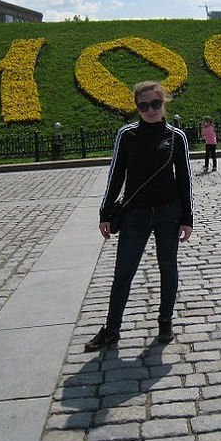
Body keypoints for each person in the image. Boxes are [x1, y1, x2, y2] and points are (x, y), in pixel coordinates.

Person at [85, 81, 193, 351]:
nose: (150, 110)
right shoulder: (127, 135)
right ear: (136, 107)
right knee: (124, 270)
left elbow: (185, 180)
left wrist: (187, 218)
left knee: (168, 267)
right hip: (136, 214)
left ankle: (165, 322)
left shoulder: (176, 137)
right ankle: (112, 329)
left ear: (163, 103)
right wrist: (105, 212)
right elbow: (116, 175)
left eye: (155, 103)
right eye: (143, 106)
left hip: (168, 211)